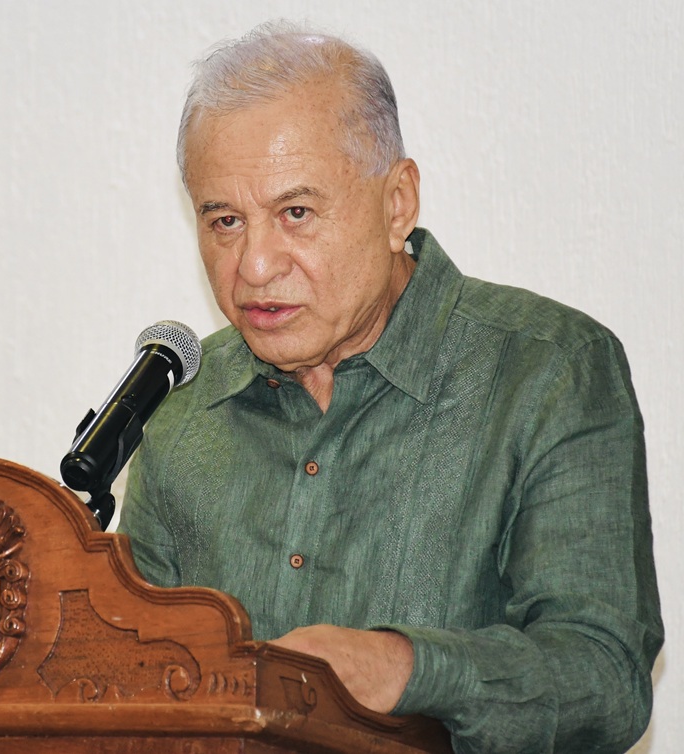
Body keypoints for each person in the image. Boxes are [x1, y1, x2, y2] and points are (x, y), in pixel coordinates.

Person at [116, 21, 663, 753]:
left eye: (295, 213)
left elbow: (605, 678)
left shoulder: (549, 370)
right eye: (224, 221)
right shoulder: (179, 412)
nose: (253, 264)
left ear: (397, 201)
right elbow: (128, 691)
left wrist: (407, 667)